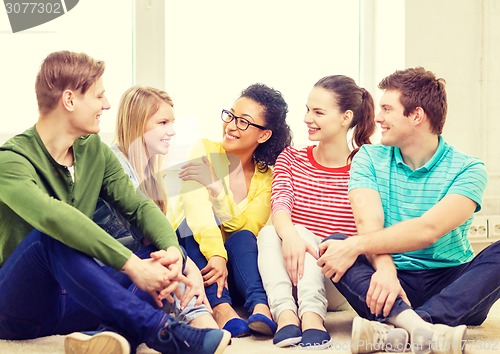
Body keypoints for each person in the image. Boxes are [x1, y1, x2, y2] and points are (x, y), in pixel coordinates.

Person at [0, 50, 230, 354]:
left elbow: (139, 207)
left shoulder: (93, 151)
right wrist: (132, 266)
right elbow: (54, 218)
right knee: (52, 238)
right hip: (16, 308)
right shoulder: (11, 160)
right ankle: (163, 332)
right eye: (99, 96)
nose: (107, 104)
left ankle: (111, 337)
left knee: (153, 255)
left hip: (72, 303)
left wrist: (175, 255)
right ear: (69, 100)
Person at [317, 67, 498, 354]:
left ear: (416, 115)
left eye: (388, 109)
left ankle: (399, 328)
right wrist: (385, 267)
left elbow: (428, 230)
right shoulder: (369, 156)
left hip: (451, 282)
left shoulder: (469, 169)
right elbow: (368, 221)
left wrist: (357, 245)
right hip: (389, 283)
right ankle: (425, 331)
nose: (378, 117)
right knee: (336, 245)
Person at [257, 75, 376, 349]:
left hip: (333, 281)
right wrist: (292, 238)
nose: (308, 118)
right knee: (270, 232)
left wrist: (299, 237)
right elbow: (281, 205)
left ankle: (312, 317)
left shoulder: (365, 166)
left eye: (318, 112)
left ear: (346, 117)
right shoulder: (291, 158)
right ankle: (285, 314)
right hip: (288, 269)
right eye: (308, 109)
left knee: (299, 232)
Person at [92, 85, 218, 329]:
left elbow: (157, 239)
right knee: (164, 262)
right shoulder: (115, 165)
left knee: (174, 253)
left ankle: (198, 320)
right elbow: (145, 242)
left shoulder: (149, 172)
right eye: (162, 123)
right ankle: (203, 323)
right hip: (104, 269)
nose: (171, 131)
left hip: (128, 268)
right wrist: (187, 267)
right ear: (138, 124)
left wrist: (188, 266)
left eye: (172, 122)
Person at [175, 83, 292, 338]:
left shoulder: (267, 178)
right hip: (198, 265)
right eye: (230, 115)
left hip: (238, 273)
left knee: (244, 237)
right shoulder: (204, 150)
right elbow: (197, 215)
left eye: (243, 122)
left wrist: (218, 192)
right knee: (186, 227)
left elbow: (250, 228)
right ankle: (221, 309)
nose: (230, 126)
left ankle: (260, 305)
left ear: (263, 135)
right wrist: (217, 255)